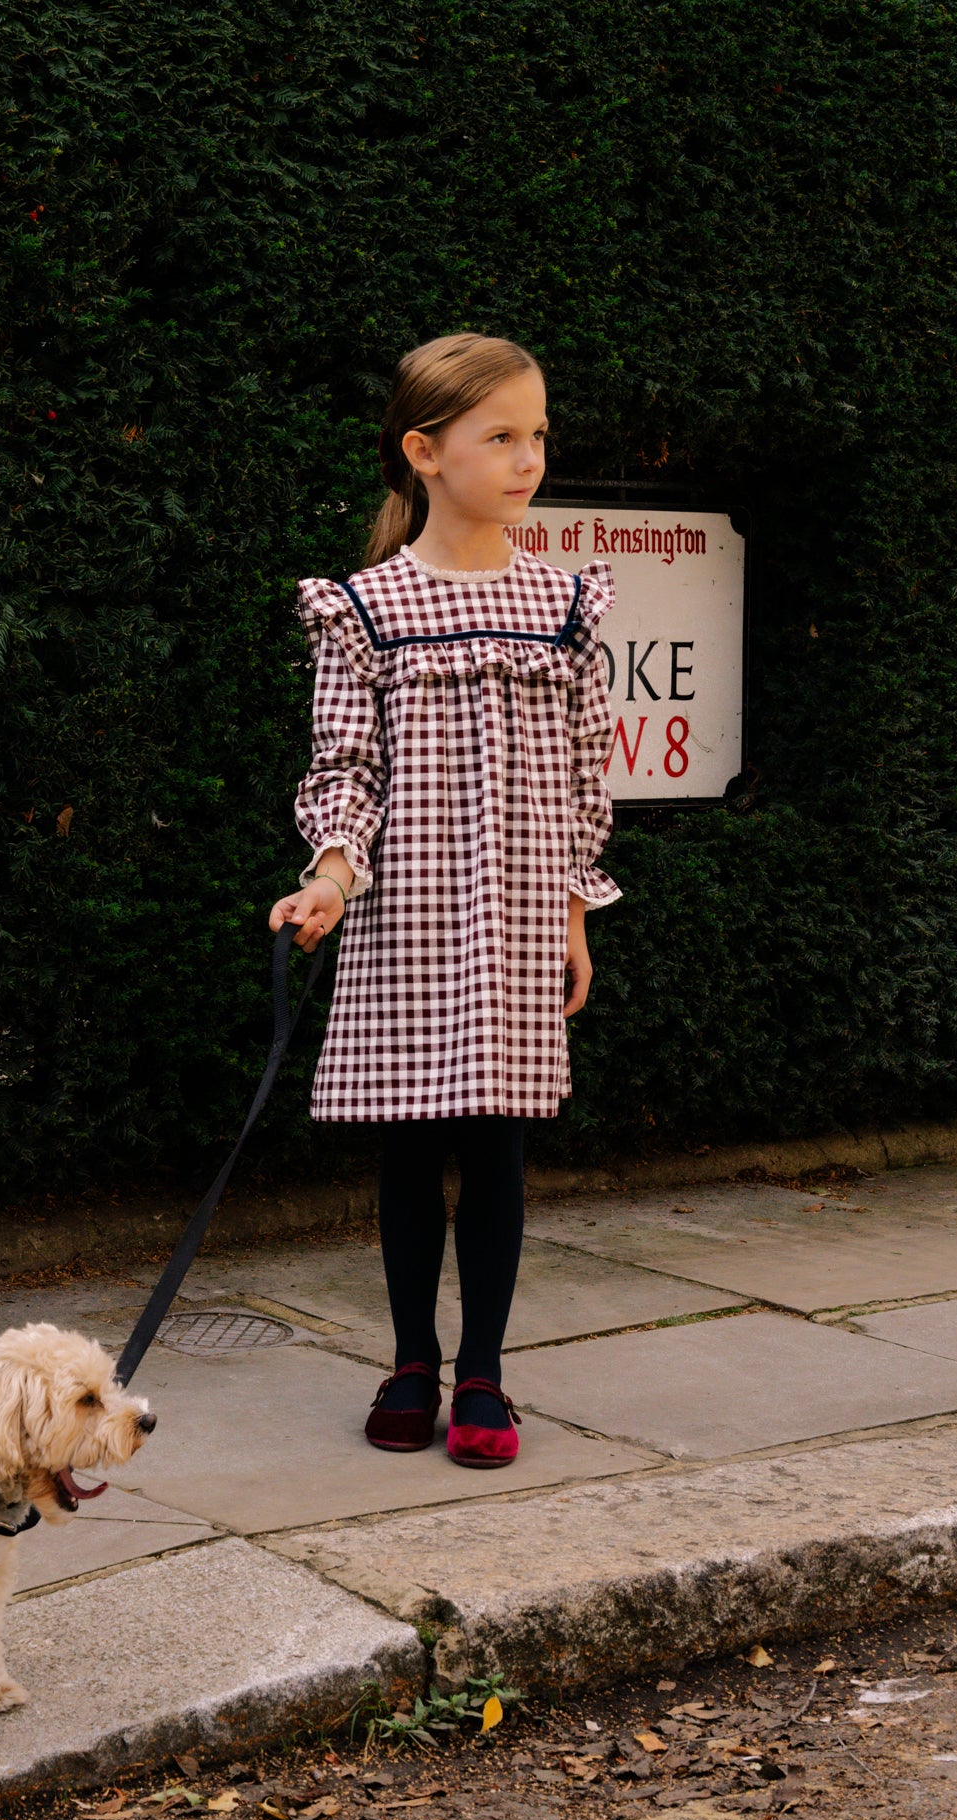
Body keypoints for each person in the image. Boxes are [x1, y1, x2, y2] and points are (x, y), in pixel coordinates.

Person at [268, 332, 621, 1467]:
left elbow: (581, 773)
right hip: (404, 914)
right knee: (412, 1148)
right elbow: (344, 773)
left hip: (518, 912)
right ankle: (412, 1357)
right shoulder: (365, 609)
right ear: (425, 452)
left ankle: (486, 1375)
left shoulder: (563, 605)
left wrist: (573, 913)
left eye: (539, 436)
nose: (529, 459)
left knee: (500, 1146)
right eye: (502, 436)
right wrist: (327, 878)